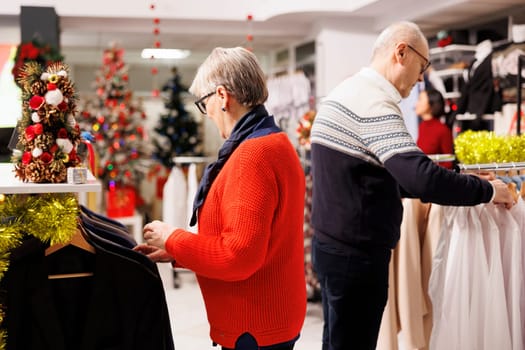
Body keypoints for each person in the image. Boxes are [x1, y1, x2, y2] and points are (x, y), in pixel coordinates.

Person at [309, 21, 515, 350]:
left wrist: (467, 181)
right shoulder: (374, 104)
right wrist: (491, 192)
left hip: (333, 246)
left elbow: (381, 175)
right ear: (401, 52)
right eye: (422, 67)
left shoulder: (344, 93)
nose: (421, 79)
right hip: (356, 256)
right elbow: (421, 178)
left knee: (336, 341)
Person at [135, 47, 307, 350]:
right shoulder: (275, 142)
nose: (208, 113)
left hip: (254, 323)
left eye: (205, 103)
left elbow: (237, 257)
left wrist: (173, 237)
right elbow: (256, 241)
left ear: (222, 96)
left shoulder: (252, 155)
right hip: (269, 317)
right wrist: (180, 253)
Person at [415, 88, 454, 168]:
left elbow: (449, 162)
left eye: (420, 100)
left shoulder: (443, 130)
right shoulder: (422, 126)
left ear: (430, 103)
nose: (416, 104)